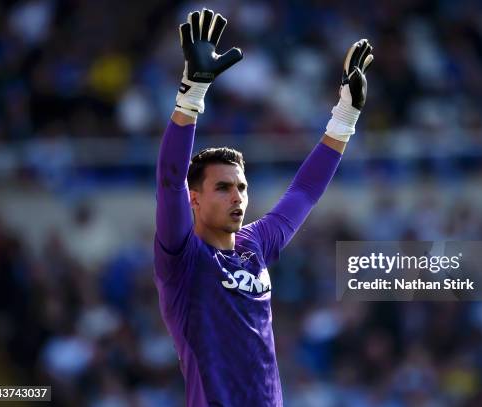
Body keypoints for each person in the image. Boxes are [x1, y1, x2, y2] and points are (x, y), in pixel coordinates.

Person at [153, 8, 373, 406]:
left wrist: (344, 117)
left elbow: (304, 192)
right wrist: (192, 95)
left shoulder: (255, 246)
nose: (237, 196)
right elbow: (169, 182)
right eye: (222, 187)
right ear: (195, 199)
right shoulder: (182, 259)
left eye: (241, 187)